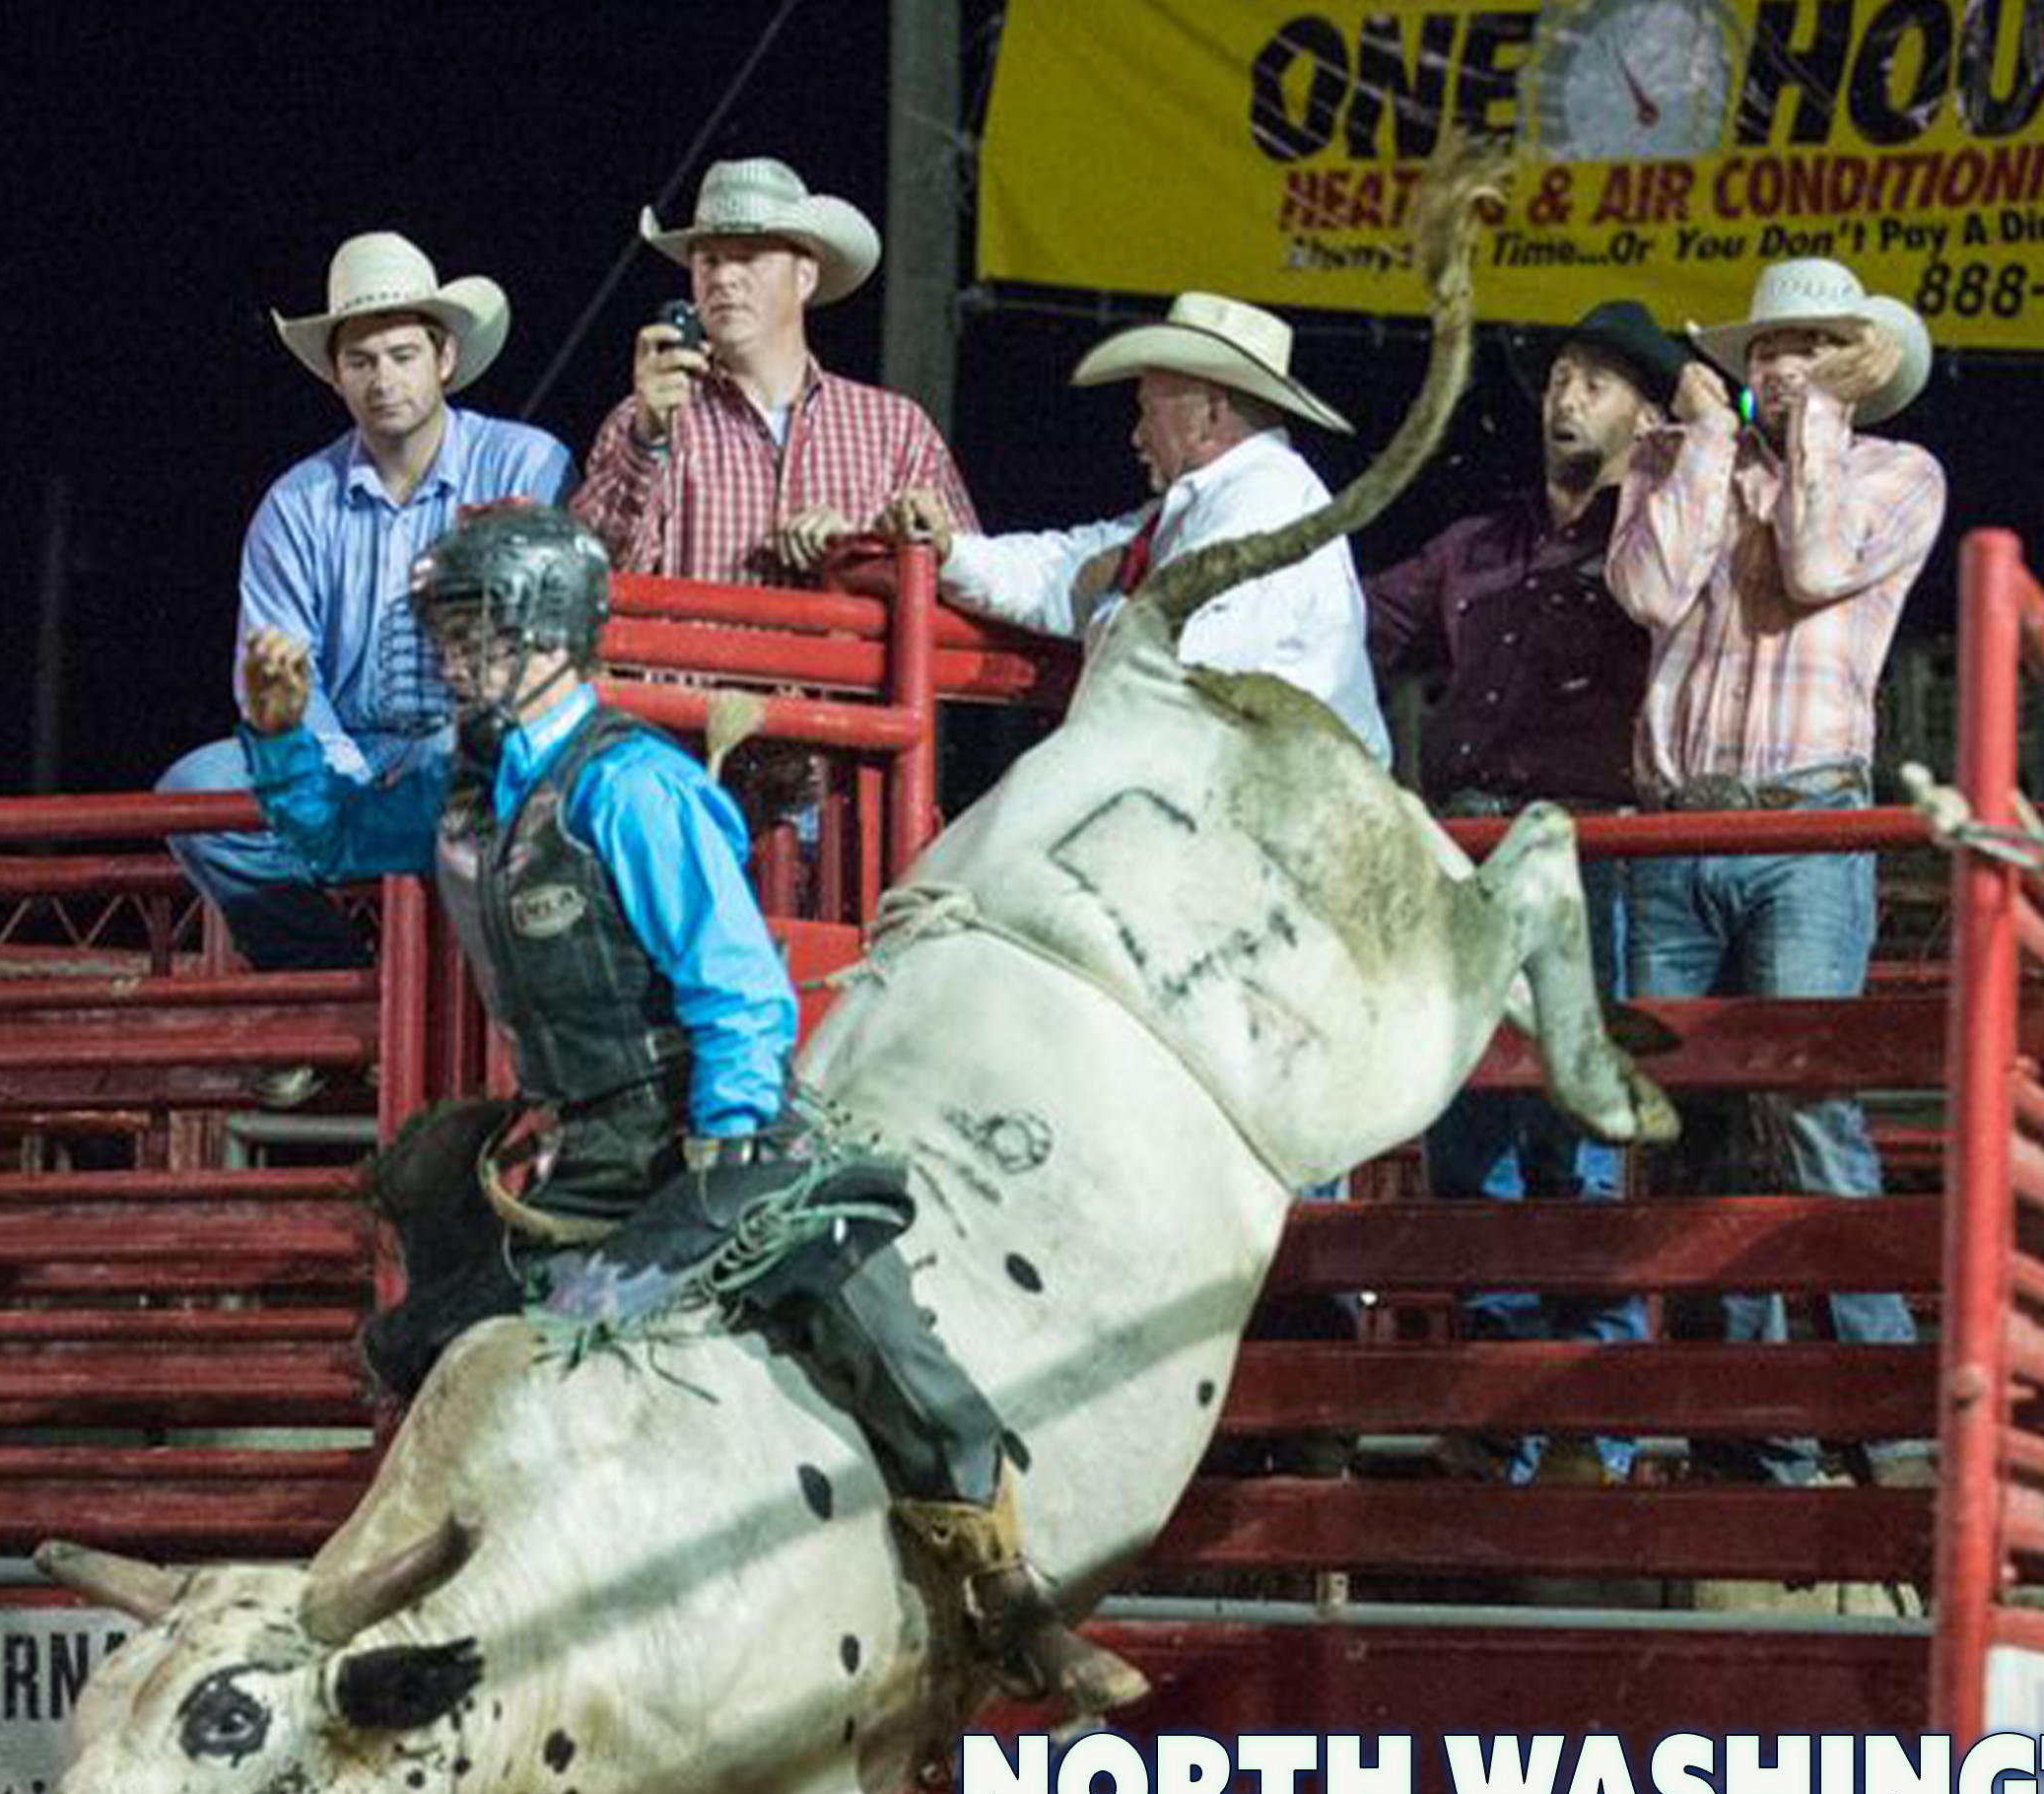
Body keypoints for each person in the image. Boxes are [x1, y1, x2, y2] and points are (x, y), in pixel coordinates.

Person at [239, 504, 1140, 1718]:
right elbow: (328, 835)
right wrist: (282, 739)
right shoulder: (464, 793)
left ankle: (1007, 1596)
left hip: (698, 1125)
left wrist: (728, 1139)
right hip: (578, 1150)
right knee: (425, 1350)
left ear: (546, 633)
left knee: (853, 1304)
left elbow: (734, 981)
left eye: (470, 627)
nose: (450, 656)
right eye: (444, 630)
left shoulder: (633, 788)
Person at [1605, 258, 1944, 1484]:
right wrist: (1703, 444)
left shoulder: (1898, 476)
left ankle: (1879, 1407)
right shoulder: (1677, 458)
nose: (1780, 365)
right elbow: (1646, 588)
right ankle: (1740, 1425)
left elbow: (1812, 566)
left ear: (1850, 366)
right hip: (1680, 824)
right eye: (1767, 347)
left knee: (1808, 1100)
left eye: (1808, 346)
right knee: (1694, 1123)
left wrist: (1808, 433)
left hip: (1806, 826)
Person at [1363, 301, 1687, 1480]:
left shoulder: (1659, 539)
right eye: (1561, 376)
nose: (1567, 397)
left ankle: (1585, 1423)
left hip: (1593, 849)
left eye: (1599, 383)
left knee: (1574, 1135)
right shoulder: (1475, 544)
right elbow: (1357, 623)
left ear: (1650, 417)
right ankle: (1506, 1410)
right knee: (1475, 1134)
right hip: (1471, 848)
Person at [161, 233, 571, 1018]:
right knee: (194, 791)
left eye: (402, 355)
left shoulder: (528, 465)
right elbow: (275, 671)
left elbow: (543, 639)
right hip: (341, 752)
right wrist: (343, 767)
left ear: (443, 358)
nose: (384, 378)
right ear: (337, 377)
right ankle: (327, 985)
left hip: (469, 739)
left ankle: (466, 1004)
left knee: (477, 759)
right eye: (363, 361)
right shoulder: (295, 504)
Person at [890, 290, 1388, 765]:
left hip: (1290, 804)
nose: (1136, 434)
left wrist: (1110, 594)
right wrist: (952, 550)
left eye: (1148, 411)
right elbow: (1071, 565)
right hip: (1261, 790)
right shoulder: (1220, 502)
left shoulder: (1266, 499)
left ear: (1210, 415)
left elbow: (1165, 663)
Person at [569, 156, 975, 586]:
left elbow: (968, 582)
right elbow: (587, 579)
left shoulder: (897, 432)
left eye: (750, 257)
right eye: (708, 261)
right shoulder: (643, 423)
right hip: (699, 655)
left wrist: (860, 550)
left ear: (805, 277)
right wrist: (645, 442)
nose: (724, 277)